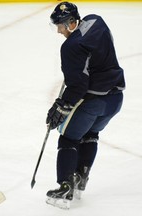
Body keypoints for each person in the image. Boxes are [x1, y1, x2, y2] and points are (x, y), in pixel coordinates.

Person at [45, 1, 125, 209]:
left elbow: (78, 86)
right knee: (90, 135)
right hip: (115, 100)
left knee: (68, 139)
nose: (59, 31)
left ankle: (65, 189)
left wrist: (61, 106)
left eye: (61, 26)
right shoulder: (96, 21)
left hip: (94, 102)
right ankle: (81, 178)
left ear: (72, 23)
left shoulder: (70, 47)